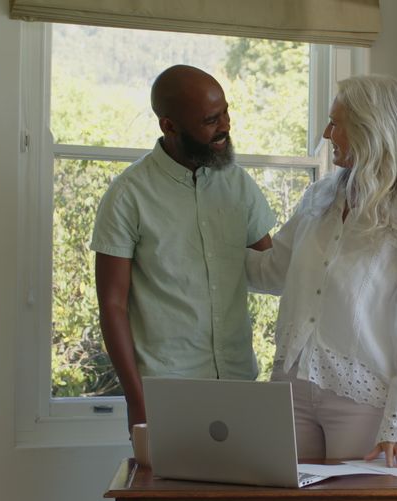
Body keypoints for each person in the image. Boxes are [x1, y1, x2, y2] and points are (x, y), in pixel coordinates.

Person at [246, 75, 397, 468]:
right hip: (291, 389)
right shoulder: (318, 200)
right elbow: (273, 271)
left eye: (335, 123)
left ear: (369, 130)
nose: (327, 134)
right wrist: (209, 249)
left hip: (361, 403)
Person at [91, 65, 276, 433]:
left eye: (226, 112)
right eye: (211, 120)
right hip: (166, 392)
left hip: (238, 383)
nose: (225, 126)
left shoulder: (239, 185)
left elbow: (273, 270)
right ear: (169, 126)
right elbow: (112, 306)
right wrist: (137, 401)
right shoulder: (128, 195)